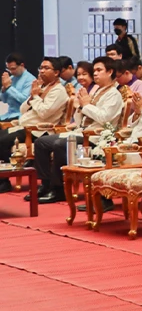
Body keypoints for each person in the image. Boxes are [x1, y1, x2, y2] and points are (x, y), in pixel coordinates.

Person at [32, 57, 125, 203]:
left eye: (99, 70)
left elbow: (104, 118)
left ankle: (58, 189)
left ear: (110, 72)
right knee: (42, 142)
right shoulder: (96, 90)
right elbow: (80, 119)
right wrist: (79, 107)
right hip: (81, 131)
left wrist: (86, 105)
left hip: (96, 137)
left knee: (60, 144)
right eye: (94, 70)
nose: (95, 74)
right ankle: (46, 184)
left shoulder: (114, 94)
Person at [0, 58, 69, 191]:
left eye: (46, 68)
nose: (42, 71)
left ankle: (5, 180)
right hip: (23, 126)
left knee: (2, 141)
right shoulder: (41, 87)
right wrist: (32, 97)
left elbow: (44, 113)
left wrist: (36, 97)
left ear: (56, 72)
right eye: (41, 68)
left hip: (39, 131)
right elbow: (22, 109)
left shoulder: (58, 90)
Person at [1, 53, 33, 124]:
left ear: (22, 65)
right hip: (8, 114)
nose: (11, 72)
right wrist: (4, 89)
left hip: (20, 116)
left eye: (13, 69)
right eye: (8, 69)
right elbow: (4, 100)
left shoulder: (30, 80)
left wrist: (9, 87)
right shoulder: (11, 78)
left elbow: (25, 101)